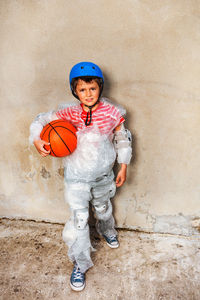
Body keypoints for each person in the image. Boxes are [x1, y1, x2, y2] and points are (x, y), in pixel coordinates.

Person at [29, 62, 132, 291]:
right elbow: (40, 120)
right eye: (82, 89)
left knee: (103, 208)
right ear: (75, 91)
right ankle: (80, 263)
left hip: (103, 175)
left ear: (100, 88)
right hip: (76, 178)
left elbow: (122, 139)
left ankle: (107, 231)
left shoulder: (111, 113)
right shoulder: (69, 113)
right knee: (79, 219)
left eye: (92, 88)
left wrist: (123, 166)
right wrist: (37, 139)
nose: (88, 94)